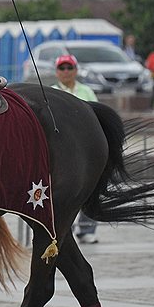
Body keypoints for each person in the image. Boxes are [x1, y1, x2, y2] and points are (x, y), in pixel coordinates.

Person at [51, 54, 99, 243]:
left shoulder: (87, 92)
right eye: (62, 68)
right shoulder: (49, 92)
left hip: (85, 149)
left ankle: (87, 229)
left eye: (69, 68)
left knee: (91, 189)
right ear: (56, 72)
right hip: (60, 151)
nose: (66, 72)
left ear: (76, 70)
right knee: (61, 192)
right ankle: (63, 229)